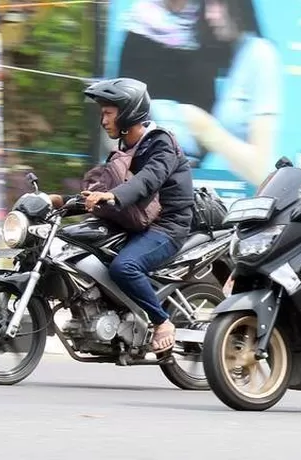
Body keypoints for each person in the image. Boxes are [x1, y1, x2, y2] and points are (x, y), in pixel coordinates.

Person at [49, 77, 194, 354]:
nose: (103, 120)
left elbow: (149, 180)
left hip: (168, 226)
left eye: (108, 113)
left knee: (123, 267)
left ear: (128, 112)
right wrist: (59, 202)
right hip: (135, 222)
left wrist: (116, 196)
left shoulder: (161, 143)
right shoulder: (124, 150)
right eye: (102, 113)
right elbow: (100, 192)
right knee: (78, 247)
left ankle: (162, 322)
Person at [177, 0, 282, 188]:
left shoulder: (261, 54)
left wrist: (205, 129)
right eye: (207, 5)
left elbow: (262, 171)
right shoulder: (233, 55)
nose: (210, 15)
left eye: (218, 4)